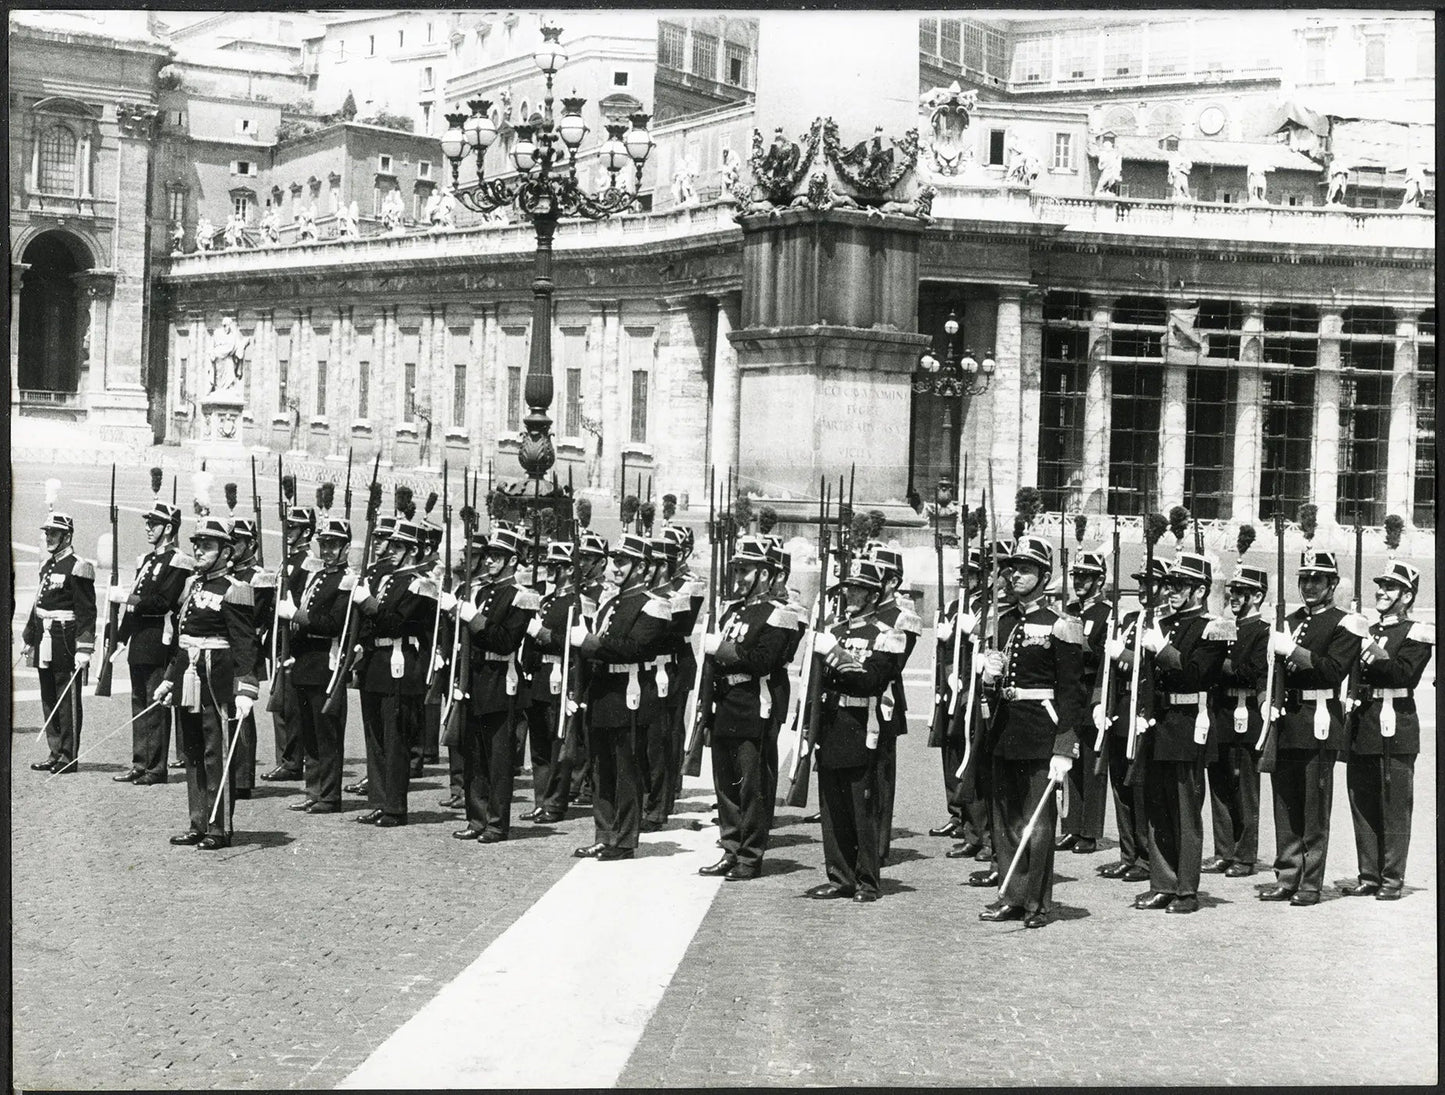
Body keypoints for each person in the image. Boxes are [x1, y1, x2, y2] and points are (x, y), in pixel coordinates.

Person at [976, 536, 1082, 929]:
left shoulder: (1060, 624)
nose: (1015, 575)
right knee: (1005, 820)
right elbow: (994, 688)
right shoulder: (1001, 622)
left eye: (1025, 569)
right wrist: (988, 676)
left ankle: (1036, 902)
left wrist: (1064, 747)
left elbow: (1073, 691)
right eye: (1013, 568)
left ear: (1043, 575)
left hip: (1041, 731)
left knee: (1036, 824)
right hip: (1005, 730)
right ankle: (1012, 896)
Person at [1259, 549, 1367, 906]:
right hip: (1287, 720)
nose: (1308, 585)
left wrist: (1293, 651)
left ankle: (1310, 882)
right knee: (1285, 803)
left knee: (1313, 806)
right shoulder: (1288, 620)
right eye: (1304, 578)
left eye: (1317, 579)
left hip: (1318, 719)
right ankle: (1288, 875)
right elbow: (1267, 672)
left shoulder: (1345, 623)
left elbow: (1333, 670)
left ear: (1332, 584)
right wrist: (1265, 698)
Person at [1131, 553, 1229, 915]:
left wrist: (1162, 649)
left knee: (1185, 811)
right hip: (1160, 722)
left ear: (1200, 590)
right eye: (1170, 585)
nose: (1172, 592)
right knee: (1157, 807)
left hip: (1189, 724)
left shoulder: (1215, 627)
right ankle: (1162, 883)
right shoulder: (1165, 622)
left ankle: (1186, 890)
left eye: (1181, 586)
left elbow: (1196, 674)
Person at [154, 518, 259, 849]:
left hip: (217, 677)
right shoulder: (192, 586)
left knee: (217, 751)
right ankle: (198, 821)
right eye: (197, 544)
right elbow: (184, 640)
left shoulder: (234, 590)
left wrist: (246, 688)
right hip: (189, 677)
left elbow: (245, 643)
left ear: (225, 552)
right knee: (194, 751)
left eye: (207, 545)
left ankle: (219, 827)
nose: (199, 550)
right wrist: (170, 680)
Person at [804, 560, 905, 903]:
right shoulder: (834, 629)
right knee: (833, 808)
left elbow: (871, 680)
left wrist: (832, 653)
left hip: (862, 725)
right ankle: (840, 876)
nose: (850, 594)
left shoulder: (886, 635)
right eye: (848, 587)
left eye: (859, 588)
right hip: (832, 723)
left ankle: (867, 880)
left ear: (874, 595)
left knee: (862, 808)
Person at [697, 537, 795, 881]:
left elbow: (764, 660)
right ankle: (730, 847)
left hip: (754, 705)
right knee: (725, 785)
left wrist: (723, 650)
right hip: (725, 703)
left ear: (765, 574)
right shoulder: (732, 610)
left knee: (752, 786)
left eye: (746, 570)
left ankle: (750, 855)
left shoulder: (778, 614)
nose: (738, 576)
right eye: (736, 569)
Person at [570, 534, 672, 861]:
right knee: (601, 770)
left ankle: (625, 840)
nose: (615, 568)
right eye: (615, 561)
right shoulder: (610, 602)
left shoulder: (653, 604)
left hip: (629, 694)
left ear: (641, 567)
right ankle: (604, 834)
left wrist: (590, 644)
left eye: (623, 562)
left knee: (627, 770)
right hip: (602, 692)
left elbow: (635, 648)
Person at [1342, 561, 1433, 901]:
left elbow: (1401, 675)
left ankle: (1392, 878)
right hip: (1364, 722)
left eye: (1390, 588)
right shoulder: (1371, 628)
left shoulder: (1416, 631)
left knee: (1394, 805)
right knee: (1361, 800)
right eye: (1380, 585)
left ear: (1407, 596)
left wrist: (1365, 644)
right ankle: (1369, 874)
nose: (1381, 592)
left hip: (1395, 724)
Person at [350, 519, 438, 828]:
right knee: (375, 739)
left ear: (413, 551)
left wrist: (369, 604)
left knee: (395, 738)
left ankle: (395, 806)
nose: (393, 551)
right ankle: (378, 800)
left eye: (400, 547)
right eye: (394, 546)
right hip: (377, 662)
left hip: (401, 664)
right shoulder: (388, 579)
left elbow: (396, 622)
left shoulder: (420, 583)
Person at [451, 528, 537, 843]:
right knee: (474, 754)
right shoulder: (482, 591)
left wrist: (473, 619)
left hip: (502, 680)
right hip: (476, 676)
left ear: (513, 560)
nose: (489, 561)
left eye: (496, 556)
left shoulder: (521, 596)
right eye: (488, 556)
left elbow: (505, 641)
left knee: (498, 759)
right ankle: (476, 818)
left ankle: (497, 822)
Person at [275, 516, 354, 815]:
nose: (329, 550)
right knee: (309, 733)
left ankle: (330, 795)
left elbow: (333, 623)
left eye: (335, 545)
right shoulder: (318, 576)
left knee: (327, 733)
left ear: (346, 547)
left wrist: (296, 616)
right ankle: (314, 790)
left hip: (325, 663)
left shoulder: (346, 580)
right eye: (325, 544)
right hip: (306, 662)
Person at [109, 501, 191, 785]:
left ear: (168, 528)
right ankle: (140, 762)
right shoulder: (147, 560)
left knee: (155, 704)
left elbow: (162, 601)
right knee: (139, 702)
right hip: (140, 640)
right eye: (147, 522)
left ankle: (156, 767)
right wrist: (120, 637)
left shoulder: (177, 561)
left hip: (160, 638)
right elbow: (135, 604)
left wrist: (127, 599)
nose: (147, 527)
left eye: (153, 524)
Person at [1097, 557, 1168, 883]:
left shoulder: (1164, 622)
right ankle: (1128, 853)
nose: (1143, 589)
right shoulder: (1127, 619)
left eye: (1150, 583)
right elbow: (1106, 669)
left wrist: (1122, 656)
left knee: (1140, 788)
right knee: (1120, 786)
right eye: (1140, 583)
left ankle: (1144, 857)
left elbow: (1150, 665)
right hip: (1121, 709)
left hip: (1145, 711)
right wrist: (1100, 702)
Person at [1203, 565, 1271, 878]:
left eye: (1242, 592)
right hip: (1222, 714)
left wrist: (1219, 662)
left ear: (1257, 596)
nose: (1234, 597)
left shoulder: (1263, 631)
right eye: (1233, 591)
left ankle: (1245, 855)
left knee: (1245, 790)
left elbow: (1252, 672)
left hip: (1247, 715)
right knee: (1219, 787)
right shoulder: (1224, 627)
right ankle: (1223, 852)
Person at [23, 508, 97, 775]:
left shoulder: (78, 567)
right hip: (44, 636)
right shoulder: (48, 565)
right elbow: (38, 605)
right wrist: (30, 637)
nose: (49, 537)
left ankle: (68, 755)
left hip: (64, 638)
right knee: (49, 696)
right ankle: (55, 751)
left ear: (67, 536)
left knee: (67, 698)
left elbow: (87, 611)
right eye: (47, 533)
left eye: (54, 533)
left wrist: (84, 647)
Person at [865, 545, 922, 865]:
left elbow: (893, 665)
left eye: (880, 574)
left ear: (892, 581)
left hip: (883, 700)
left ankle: (878, 844)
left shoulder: (903, 618)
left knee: (880, 777)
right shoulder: (863, 611)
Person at [519, 540, 583, 824]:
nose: (549, 570)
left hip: (560, 675)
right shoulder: (546, 600)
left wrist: (543, 634)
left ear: (569, 570)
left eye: (555, 566)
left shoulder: (575, 603)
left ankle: (555, 803)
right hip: (540, 677)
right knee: (540, 746)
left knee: (559, 745)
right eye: (548, 565)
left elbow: (575, 643)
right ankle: (540, 800)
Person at [1056, 549, 1111, 855]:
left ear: (1099, 580)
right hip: (1070, 696)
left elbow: (1102, 656)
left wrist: (1080, 643)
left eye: (1085, 577)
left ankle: (1089, 831)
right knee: (1069, 762)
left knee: (1091, 766)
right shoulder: (1070, 609)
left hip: (1090, 694)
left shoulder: (1106, 613)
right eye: (1076, 576)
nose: (1079, 582)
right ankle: (1071, 827)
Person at [261, 506, 316, 782]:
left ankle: (292, 760)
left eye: (292, 528)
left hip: (292, 636)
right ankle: (286, 757)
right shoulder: (290, 559)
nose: (287, 533)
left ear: (306, 531)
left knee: (290, 704)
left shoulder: (308, 562)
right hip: (278, 634)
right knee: (280, 699)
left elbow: (305, 600)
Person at [931, 547, 979, 844]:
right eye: (964, 574)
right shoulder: (953, 606)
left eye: (972, 574)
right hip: (951, 685)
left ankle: (970, 817)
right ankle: (956, 813)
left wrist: (972, 632)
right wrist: (947, 669)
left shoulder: (984, 606)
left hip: (970, 684)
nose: (966, 579)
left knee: (965, 750)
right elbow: (947, 650)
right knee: (949, 750)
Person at [226, 518, 274, 799]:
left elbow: (252, 617)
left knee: (243, 713)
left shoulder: (259, 577)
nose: (232, 547)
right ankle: (231, 772)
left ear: (251, 544)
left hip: (246, 648)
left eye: (238, 542)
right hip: (227, 649)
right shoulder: (232, 574)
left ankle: (243, 778)